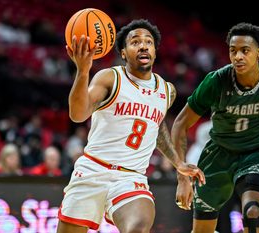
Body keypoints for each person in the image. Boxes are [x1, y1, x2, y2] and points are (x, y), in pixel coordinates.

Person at [57, 19, 205, 233]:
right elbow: (78, 115)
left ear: (154, 51)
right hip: (92, 170)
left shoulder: (166, 90)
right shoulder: (110, 78)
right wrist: (82, 72)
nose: (143, 45)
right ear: (124, 53)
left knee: (138, 227)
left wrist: (178, 163)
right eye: (135, 42)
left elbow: (157, 128)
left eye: (149, 42)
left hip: (130, 177)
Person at [171, 22, 259, 233]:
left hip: (254, 152)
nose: (237, 56)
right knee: (202, 229)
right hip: (217, 156)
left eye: (244, 51)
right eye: (233, 50)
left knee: (252, 212)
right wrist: (182, 177)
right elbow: (180, 124)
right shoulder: (216, 81)